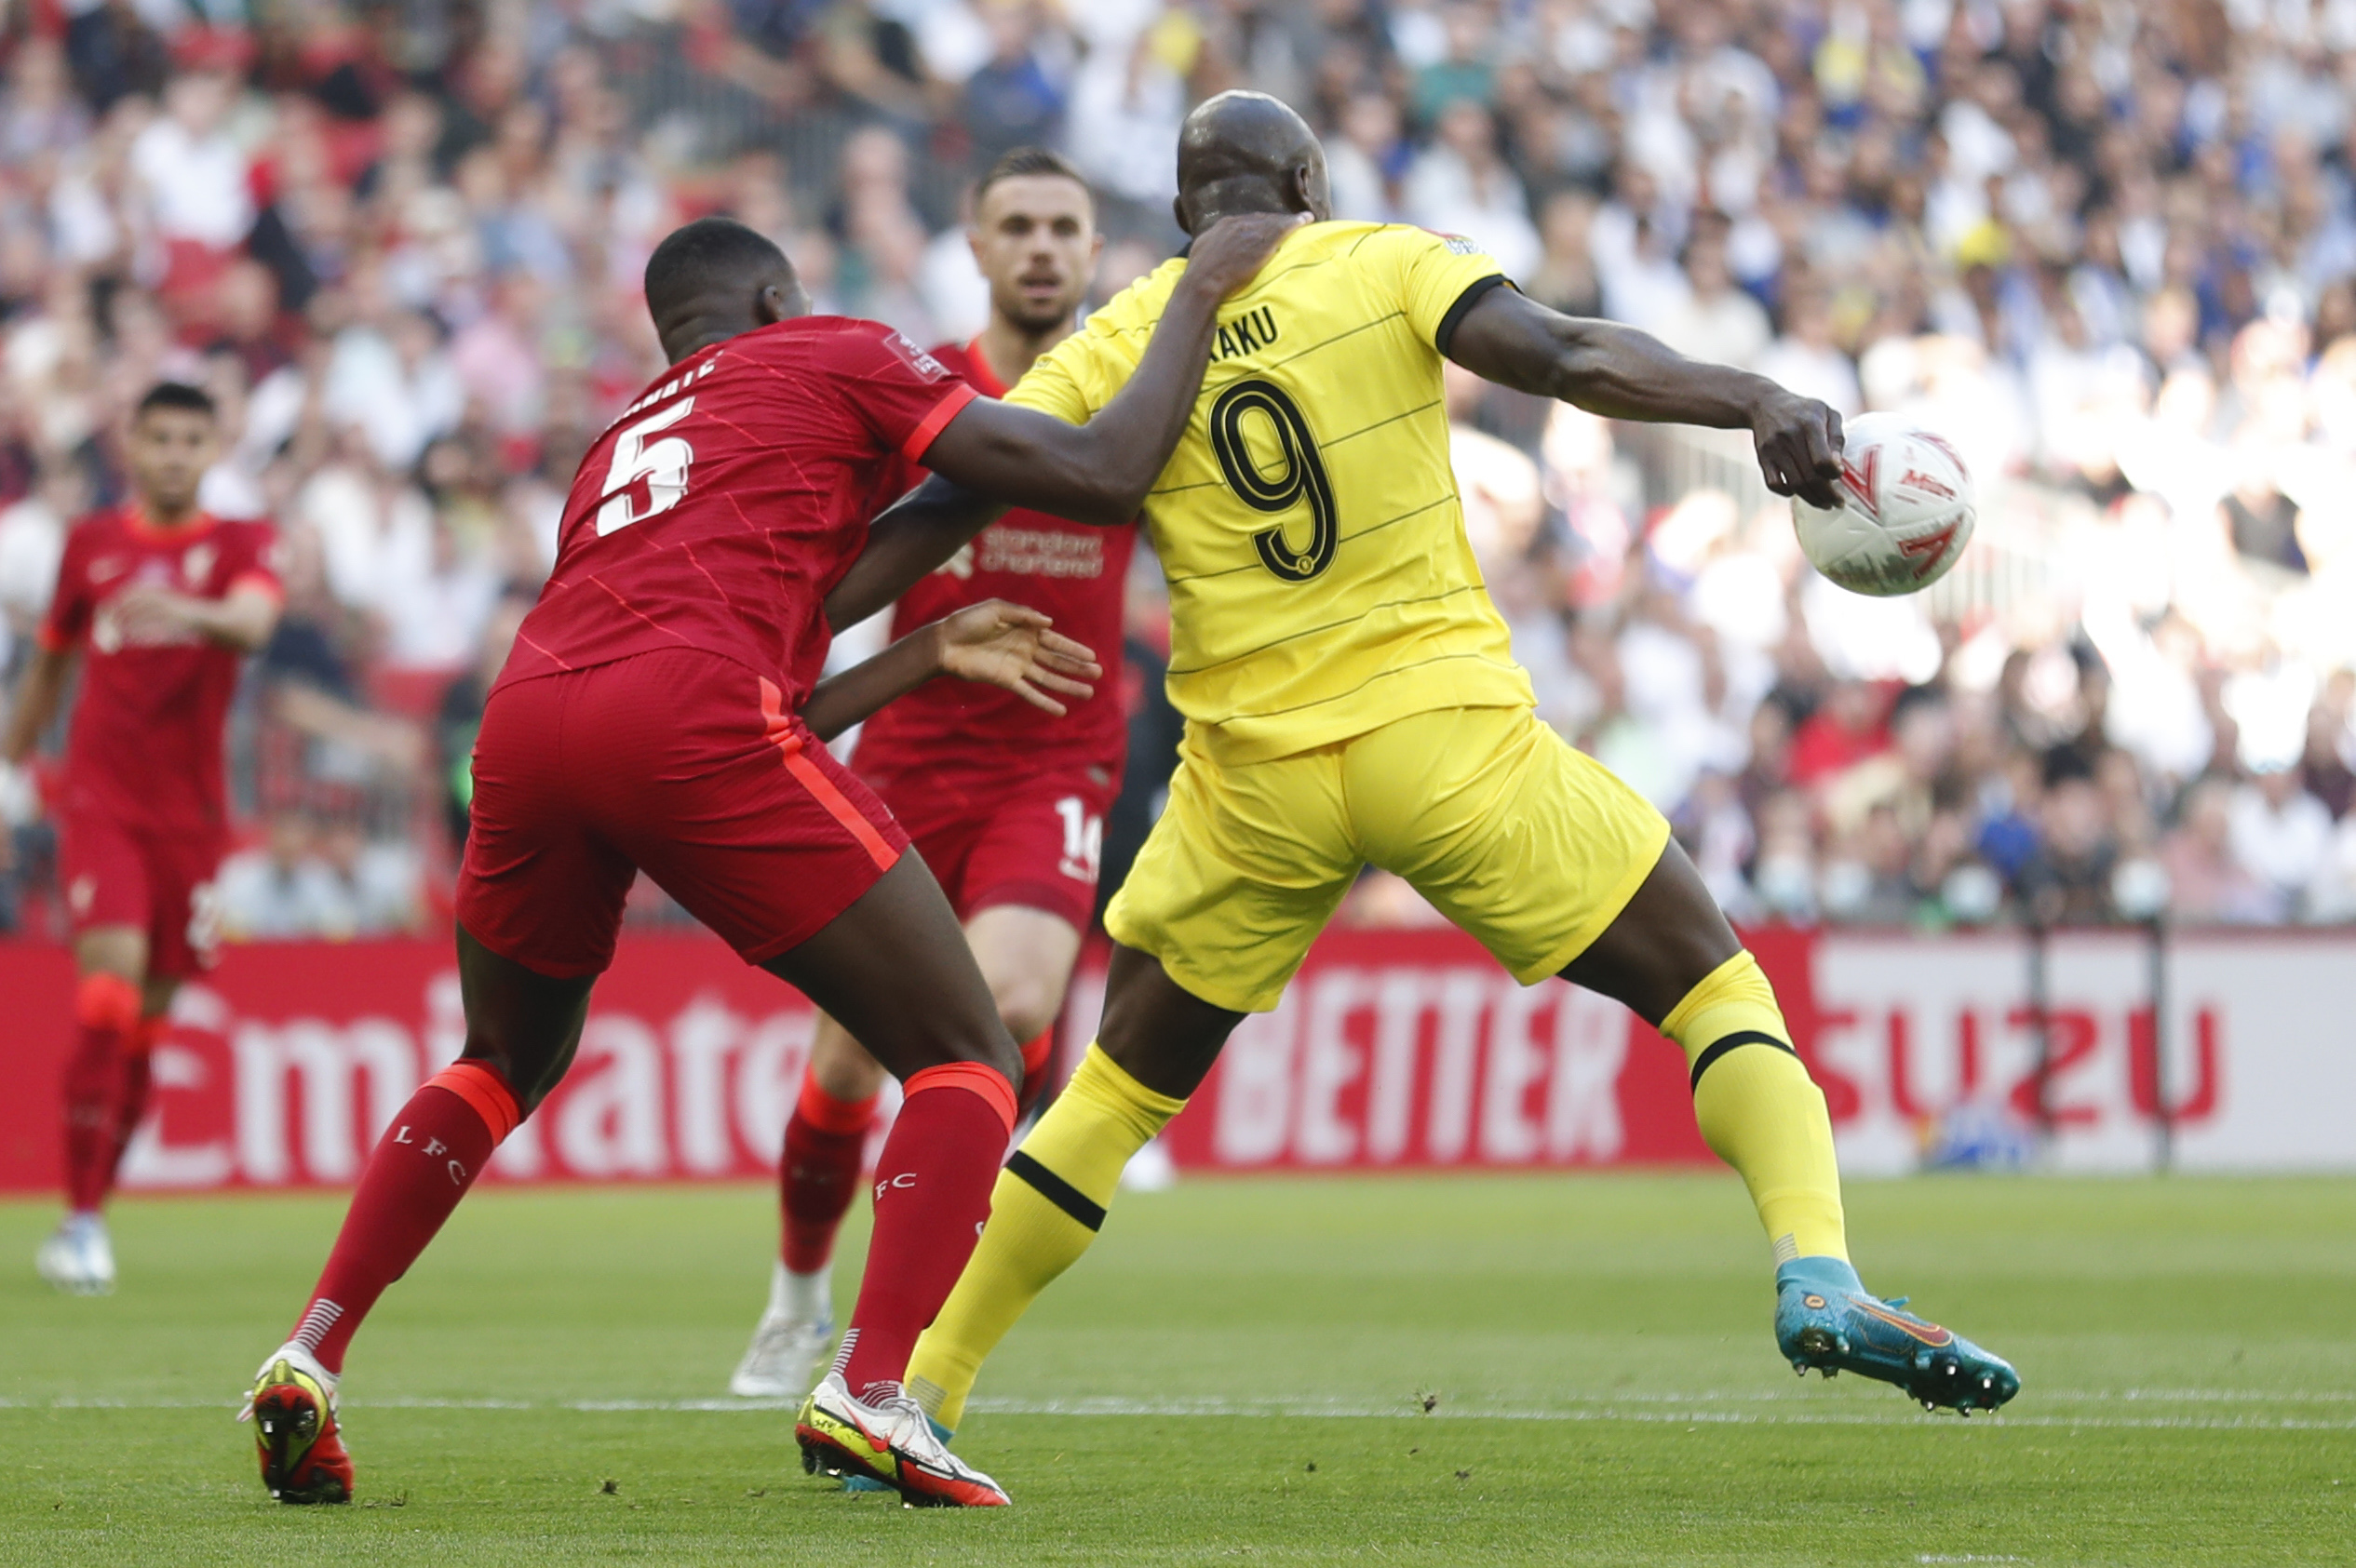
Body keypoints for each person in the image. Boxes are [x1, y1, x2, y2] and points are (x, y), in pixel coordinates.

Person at [888, 93, 2021, 1472]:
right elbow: (1565, 355)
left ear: (1184, 212)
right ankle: (1816, 1270)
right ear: (1309, 184)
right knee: (1714, 986)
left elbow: (960, 488)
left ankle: (919, 1386)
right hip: (1441, 740)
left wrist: (801, 615)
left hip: (1253, 781)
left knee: (1114, 1093)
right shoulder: (1382, 259)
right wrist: (1754, 398)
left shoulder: (1123, 333)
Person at [238, 209, 1297, 1509]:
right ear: (781, 300)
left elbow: (771, 666)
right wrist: (1197, 289)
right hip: (689, 713)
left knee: (499, 1059)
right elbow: (1103, 469)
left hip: (525, 721)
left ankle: (310, 1348)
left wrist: (924, 648)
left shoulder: (621, 442)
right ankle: (871, 1386)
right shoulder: (834, 347)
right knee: (969, 1052)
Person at [730, 147, 1144, 1401]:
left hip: (1054, 758)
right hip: (906, 758)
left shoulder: (1129, 398)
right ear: (974, 246)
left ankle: (925, 1286)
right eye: (1016, 225)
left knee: (1010, 1000)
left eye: (1062, 227)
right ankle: (794, 1297)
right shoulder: (919, 396)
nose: (1039, 247)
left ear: (1091, 250)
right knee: (846, 1063)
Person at [0, 383, 283, 1295]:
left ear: (212, 449)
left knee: (148, 1028)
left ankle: (92, 1212)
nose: (172, 454)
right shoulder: (91, 543)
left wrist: (186, 610)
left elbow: (254, 622)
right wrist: (9, 765)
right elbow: (52, 661)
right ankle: (80, 1222)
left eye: (190, 439)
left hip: (190, 821)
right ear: (131, 444)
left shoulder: (239, 543)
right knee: (107, 1000)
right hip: (102, 805)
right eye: (158, 438)